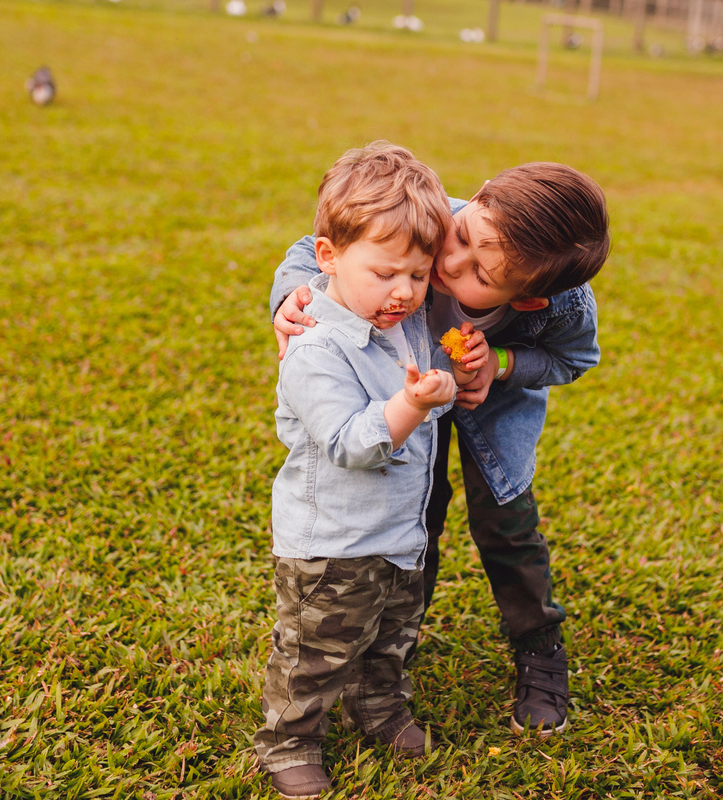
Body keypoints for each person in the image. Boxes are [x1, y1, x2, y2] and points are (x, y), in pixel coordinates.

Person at [271, 161, 610, 738]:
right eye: (463, 240)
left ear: (526, 300)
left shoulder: (560, 302)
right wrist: (287, 299)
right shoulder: (430, 216)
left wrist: (502, 365)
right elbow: (316, 246)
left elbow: (573, 359)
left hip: (488, 414)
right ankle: (392, 639)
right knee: (413, 509)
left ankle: (538, 644)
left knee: (507, 524)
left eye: (482, 271)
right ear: (476, 200)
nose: (451, 263)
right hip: (397, 399)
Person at [255, 142, 487, 799]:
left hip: (398, 534)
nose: (404, 292)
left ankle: (379, 704)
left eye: (417, 276)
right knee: (316, 653)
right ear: (326, 256)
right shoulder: (314, 348)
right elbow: (350, 443)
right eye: (385, 273)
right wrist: (412, 404)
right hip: (333, 544)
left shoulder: (404, 324)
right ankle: (289, 740)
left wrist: (460, 369)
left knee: (391, 635)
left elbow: (429, 372)